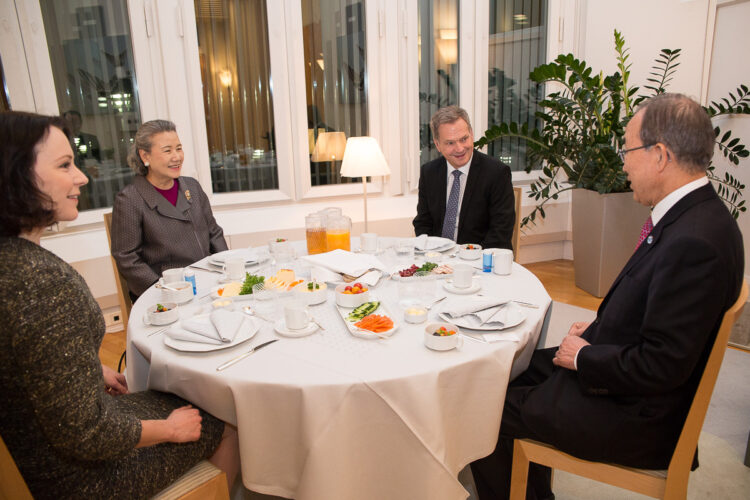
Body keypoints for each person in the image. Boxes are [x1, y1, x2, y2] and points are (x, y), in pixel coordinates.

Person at [469, 93, 744, 499]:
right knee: (507, 371)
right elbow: (654, 310)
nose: (623, 161)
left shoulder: (695, 242)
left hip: (639, 416)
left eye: (628, 148)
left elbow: (662, 364)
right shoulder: (695, 216)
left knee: (481, 409)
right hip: (626, 380)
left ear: (660, 155)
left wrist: (583, 355)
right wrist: (599, 330)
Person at [0, 111, 239, 499]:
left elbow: (27, 360)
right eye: (65, 165)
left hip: (45, 449)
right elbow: (86, 433)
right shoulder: (42, 282)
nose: (83, 176)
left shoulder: (17, 264)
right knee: (225, 416)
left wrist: (92, 368)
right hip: (82, 476)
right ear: (15, 177)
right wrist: (171, 429)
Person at [111, 119, 228, 298]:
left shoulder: (192, 187)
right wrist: (161, 289)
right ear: (145, 156)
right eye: (167, 150)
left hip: (209, 282)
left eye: (179, 148)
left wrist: (227, 268)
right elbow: (127, 258)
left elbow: (214, 233)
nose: (177, 157)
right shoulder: (130, 199)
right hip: (167, 291)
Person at [412, 105, 515, 249]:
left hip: (480, 260)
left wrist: (466, 259)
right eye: (450, 143)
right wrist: (431, 253)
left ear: (471, 134)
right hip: (438, 259)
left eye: (464, 139)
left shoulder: (497, 173)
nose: (460, 148)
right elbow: (423, 222)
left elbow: (500, 231)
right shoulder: (429, 172)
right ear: (438, 144)